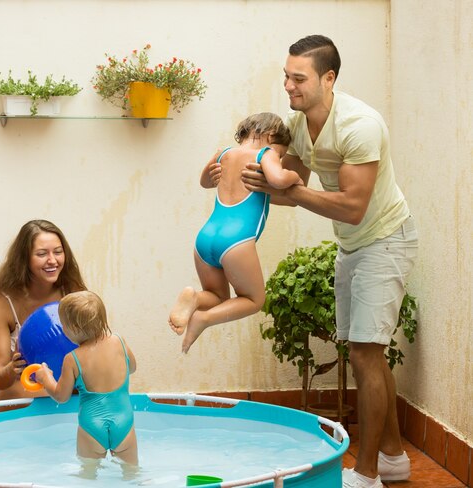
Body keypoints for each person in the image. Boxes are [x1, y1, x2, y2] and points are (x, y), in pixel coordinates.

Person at [241, 35, 418, 488]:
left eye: (298, 78)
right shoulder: (300, 125)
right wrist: (255, 181)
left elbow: (350, 205)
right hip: (352, 244)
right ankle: (395, 458)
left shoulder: (360, 125)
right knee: (367, 354)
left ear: (328, 78)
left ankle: (368, 473)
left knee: (364, 353)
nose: (288, 86)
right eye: (286, 75)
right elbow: (290, 188)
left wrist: (290, 191)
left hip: (384, 239)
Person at [169, 112, 302, 354]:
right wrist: (294, 175)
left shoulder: (224, 153)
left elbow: (205, 182)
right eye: (281, 154)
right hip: (236, 241)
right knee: (254, 300)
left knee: (217, 296)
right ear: (271, 136)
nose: (279, 159)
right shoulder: (266, 154)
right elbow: (279, 180)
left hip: (205, 238)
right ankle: (203, 319)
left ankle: (196, 299)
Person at [0, 219, 87, 402]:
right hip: (7, 388)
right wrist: (11, 368)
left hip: (62, 383)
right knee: (39, 395)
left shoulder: (72, 293)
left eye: (58, 252)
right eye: (42, 254)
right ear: (24, 260)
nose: (53, 260)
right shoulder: (1, 303)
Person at [34, 290, 139, 469]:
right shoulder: (119, 341)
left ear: (72, 329)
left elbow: (61, 396)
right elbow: (132, 368)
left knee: (87, 476)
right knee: (132, 472)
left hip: (92, 427)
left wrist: (45, 378)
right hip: (124, 423)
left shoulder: (73, 358)